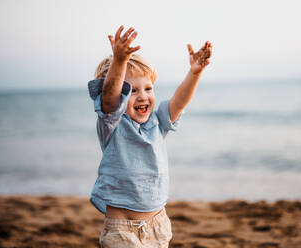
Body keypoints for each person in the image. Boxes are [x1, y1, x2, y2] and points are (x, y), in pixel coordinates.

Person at [88, 25, 212, 248]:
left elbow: (178, 102)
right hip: (122, 230)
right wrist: (119, 60)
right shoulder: (112, 123)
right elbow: (110, 97)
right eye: (132, 91)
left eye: (148, 88)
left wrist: (194, 73)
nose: (143, 96)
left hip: (158, 224)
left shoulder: (157, 123)